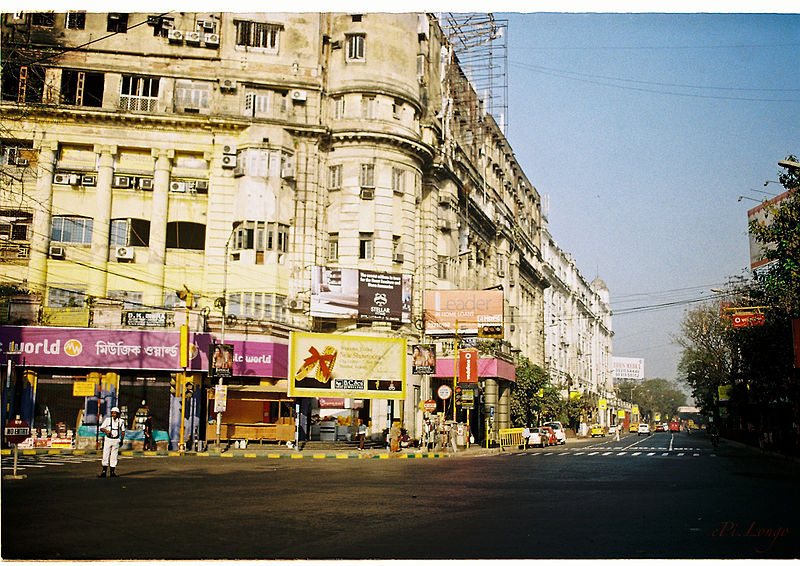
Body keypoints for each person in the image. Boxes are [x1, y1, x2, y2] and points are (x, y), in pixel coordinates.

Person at [98, 407, 125, 477]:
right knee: (105, 454)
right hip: (108, 439)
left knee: (114, 456)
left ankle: (112, 472)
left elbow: (123, 431)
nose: (113, 414)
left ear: (118, 414)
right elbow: (101, 428)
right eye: (112, 413)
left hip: (116, 440)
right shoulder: (107, 420)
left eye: (115, 413)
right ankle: (104, 471)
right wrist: (106, 431)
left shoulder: (121, 421)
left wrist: (122, 439)